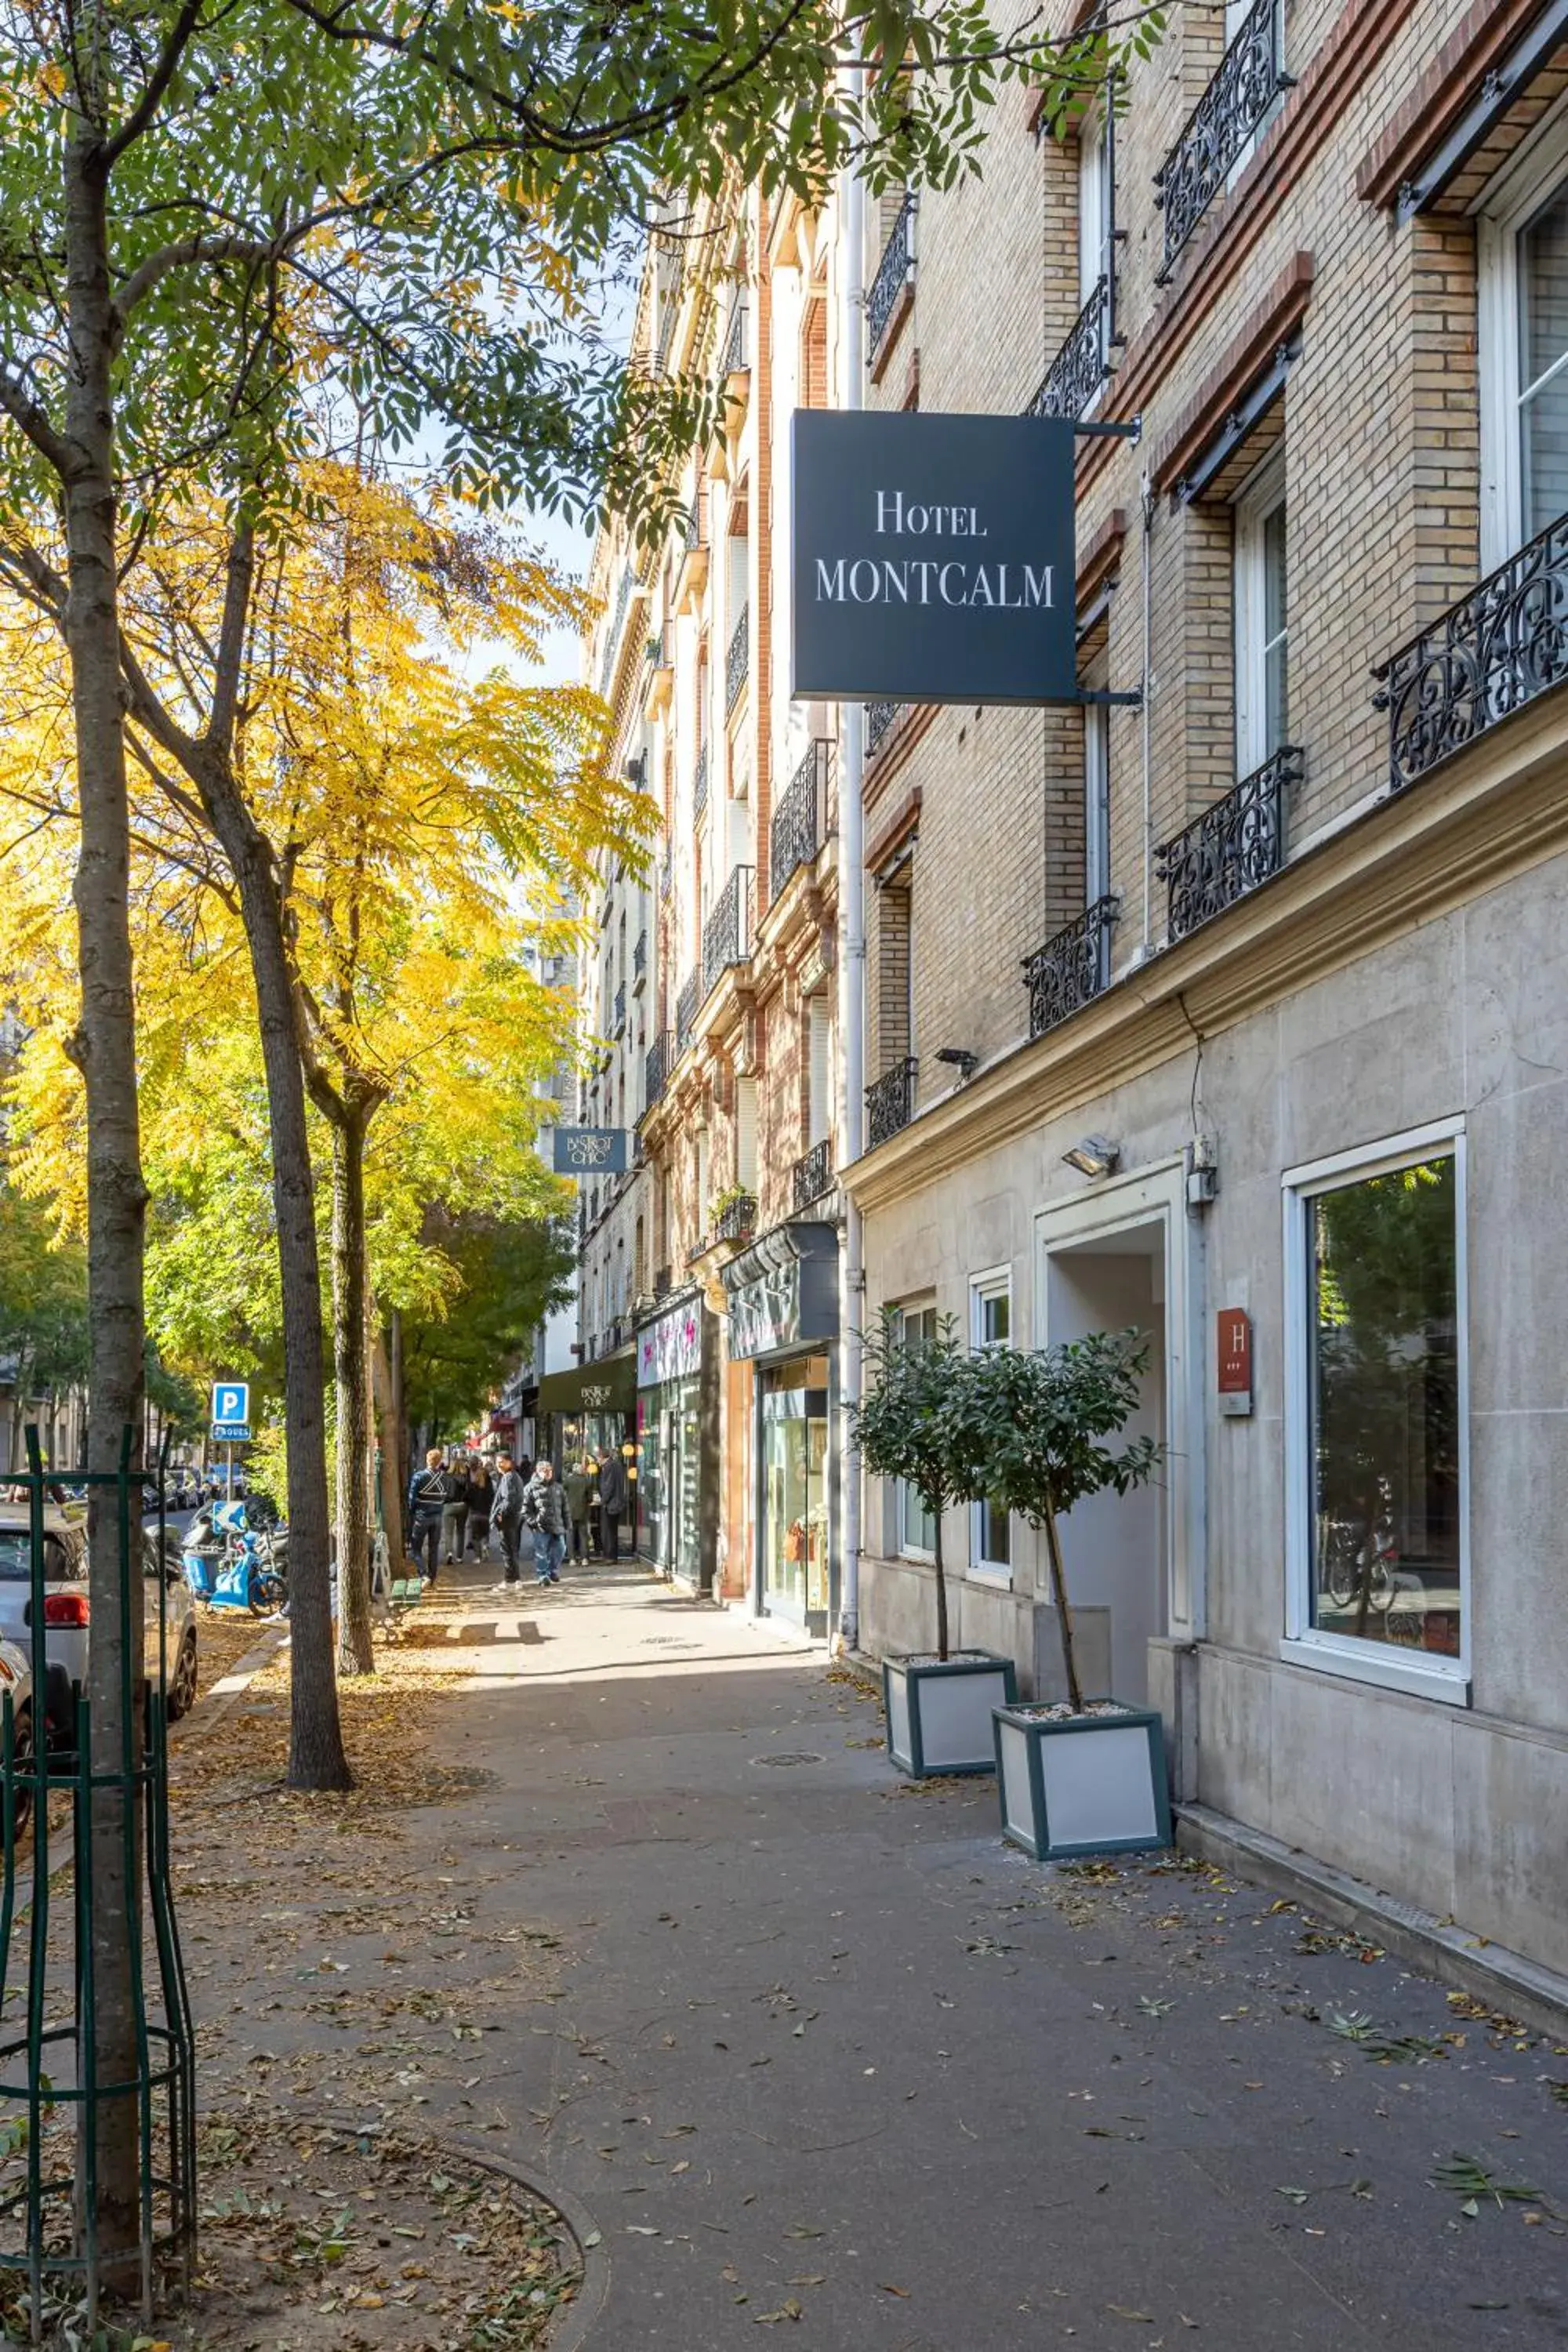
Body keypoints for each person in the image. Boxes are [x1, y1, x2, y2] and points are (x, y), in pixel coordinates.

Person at [406, 1446, 455, 1588]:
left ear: (427, 1460)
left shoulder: (419, 1477)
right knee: (434, 1549)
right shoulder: (445, 1478)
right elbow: (447, 1496)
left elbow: (412, 1498)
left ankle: (424, 1574)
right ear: (439, 1462)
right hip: (438, 1517)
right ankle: (432, 1579)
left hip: (422, 1515)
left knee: (416, 1548)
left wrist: (413, 1511)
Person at [523, 1458, 568, 1586]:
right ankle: (543, 1575)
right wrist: (533, 1522)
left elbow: (565, 1507)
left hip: (557, 1524)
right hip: (541, 1527)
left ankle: (552, 1570)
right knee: (541, 1551)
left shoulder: (558, 1487)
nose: (548, 1473)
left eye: (550, 1471)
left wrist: (567, 1523)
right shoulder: (530, 1488)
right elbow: (525, 1509)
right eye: (545, 1471)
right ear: (538, 1472)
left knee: (561, 1549)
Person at [489, 1452, 528, 1586]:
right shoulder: (514, 1477)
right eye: (497, 1462)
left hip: (508, 1519)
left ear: (509, 1462)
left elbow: (509, 1499)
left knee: (508, 1550)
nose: (498, 1465)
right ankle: (514, 1579)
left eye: (501, 1462)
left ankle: (510, 1579)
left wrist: (500, 1513)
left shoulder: (508, 1478)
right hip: (514, 1517)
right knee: (512, 1549)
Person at [596, 1445, 629, 1563]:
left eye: (598, 1458)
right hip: (616, 1503)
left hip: (611, 1504)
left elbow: (608, 1487)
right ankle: (612, 1556)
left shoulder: (609, 1467)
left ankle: (609, 1556)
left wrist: (602, 1501)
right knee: (612, 1531)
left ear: (602, 1457)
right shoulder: (616, 1465)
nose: (597, 1461)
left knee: (608, 1531)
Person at [563, 1456, 593, 1563]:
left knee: (570, 1535)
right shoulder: (587, 1481)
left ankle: (572, 1559)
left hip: (570, 1512)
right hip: (583, 1512)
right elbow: (590, 1498)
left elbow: (563, 1492)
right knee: (583, 1535)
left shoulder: (568, 1480)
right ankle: (584, 1558)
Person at [441, 1455, 470, 1566]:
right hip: (463, 1506)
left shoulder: (446, 1477)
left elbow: (442, 1491)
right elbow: (469, 1491)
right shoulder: (465, 1477)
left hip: (449, 1506)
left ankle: (449, 1553)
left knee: (449, 1533)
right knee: (461, 1532)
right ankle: (459, 1557)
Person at [466, 1456, 493, 1563]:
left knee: (476, 1537)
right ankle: (485, 1546)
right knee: (485, 1534)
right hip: (486, 1513)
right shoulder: (489, 1486)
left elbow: (467, 1497)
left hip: (474, 1514)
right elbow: (492, 1497)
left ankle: (478, 1557)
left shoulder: (473, 1487)